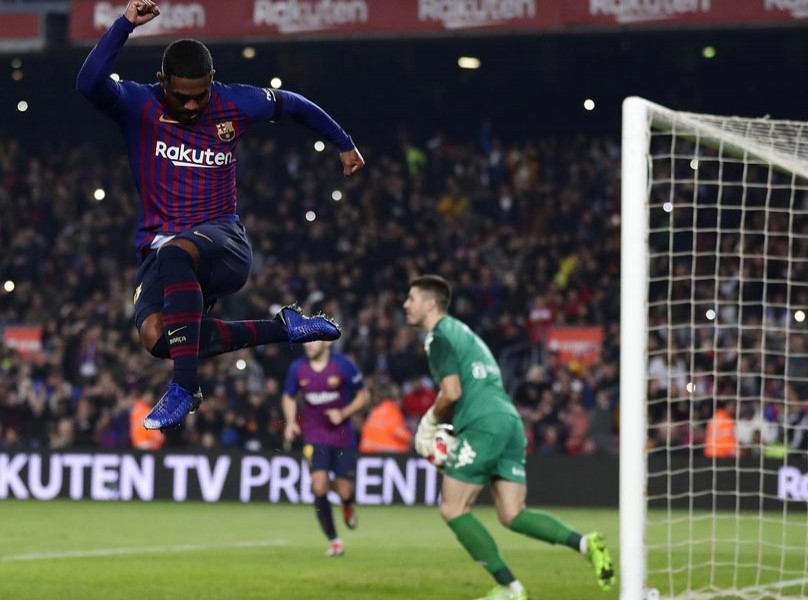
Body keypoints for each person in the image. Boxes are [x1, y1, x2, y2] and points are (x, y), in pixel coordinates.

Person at [75, 0, 364, 431]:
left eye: (200, 96)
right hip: (162, 254)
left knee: (177, 254)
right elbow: (88, 83)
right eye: (181, 97)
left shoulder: (234, 103)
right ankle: (284, 328)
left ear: (212, 83)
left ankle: (184, 389)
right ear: (162, 82)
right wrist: (123, 26)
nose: (192, 107)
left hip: (223, 242)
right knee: (158, 337)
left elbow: (294, 104)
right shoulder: (138, 105)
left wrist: (344, 143)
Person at [403, 275, 615, 600]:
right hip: (509, 420)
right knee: (512, 513)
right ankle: (586, 544)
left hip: (483, 423)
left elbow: (452, 391)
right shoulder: (465, 332)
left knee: (453, 509)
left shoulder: (439, 337)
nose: (406, 304)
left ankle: (510, 588)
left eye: (412, 298)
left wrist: (428, 423)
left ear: (430, 303)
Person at [282, 339, 370, 557]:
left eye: (314, 340)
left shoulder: (343, 365)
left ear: (327, 343)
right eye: (306, 341)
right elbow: (288, 396)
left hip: (342, 437)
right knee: (318, 486)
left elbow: (364, 395)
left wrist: (344, 413)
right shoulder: (297, 368)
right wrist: (291, 421)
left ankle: (347, 505)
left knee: (344, 490)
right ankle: (334, 541)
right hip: (314, 436)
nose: (308, 345)